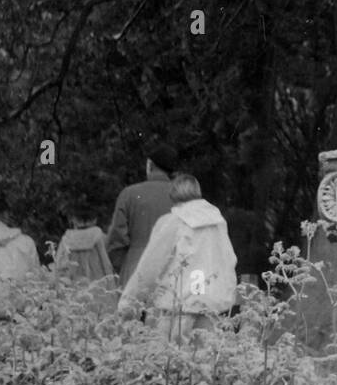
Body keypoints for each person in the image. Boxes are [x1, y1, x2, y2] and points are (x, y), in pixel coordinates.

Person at [117, 173, 238, 342]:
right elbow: (228, 260)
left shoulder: (171, 222)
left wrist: (128, 303)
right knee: (206, 361)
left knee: (172, 361)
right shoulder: (218, 222)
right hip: (211, 308)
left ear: (173, 196)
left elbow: (150, 267)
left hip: (176, 310)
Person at [105, 142, 178, 286]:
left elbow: (116, 241)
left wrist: (125, 266)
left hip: (135, 271)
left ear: (149, 165)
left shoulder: (129, 194)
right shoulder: (181, 197)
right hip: (173, 273)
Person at [54, 204, 118, 311]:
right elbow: (107, 263)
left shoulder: (67, 238)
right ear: (94, 219)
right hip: (98, 286)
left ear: (73, 220)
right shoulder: (99, 236)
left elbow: (59, 266)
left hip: (74, 287)